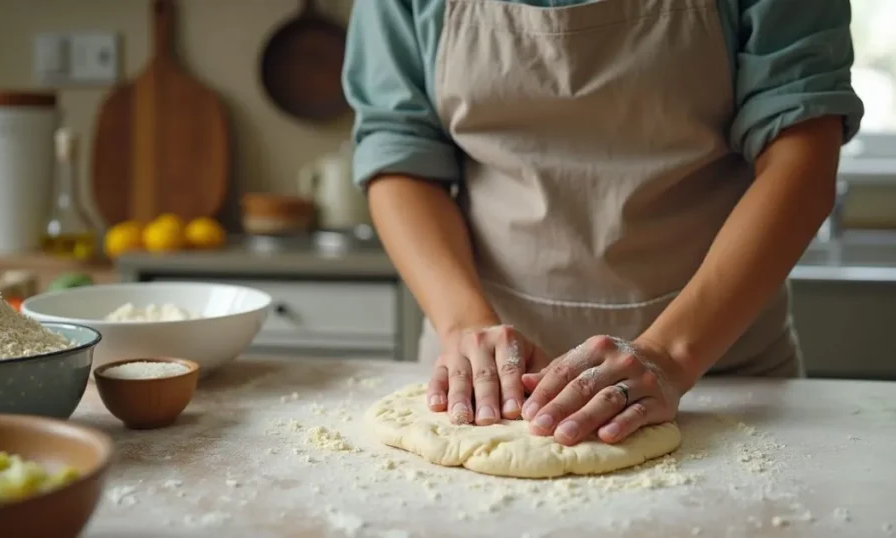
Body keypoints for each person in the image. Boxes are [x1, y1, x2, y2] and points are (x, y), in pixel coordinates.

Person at [342, 0, 864, 447]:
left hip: (718, 372)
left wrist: (670, 355)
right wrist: (462, 323)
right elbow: (400, 155)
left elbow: (801, 156)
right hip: (482, 387)